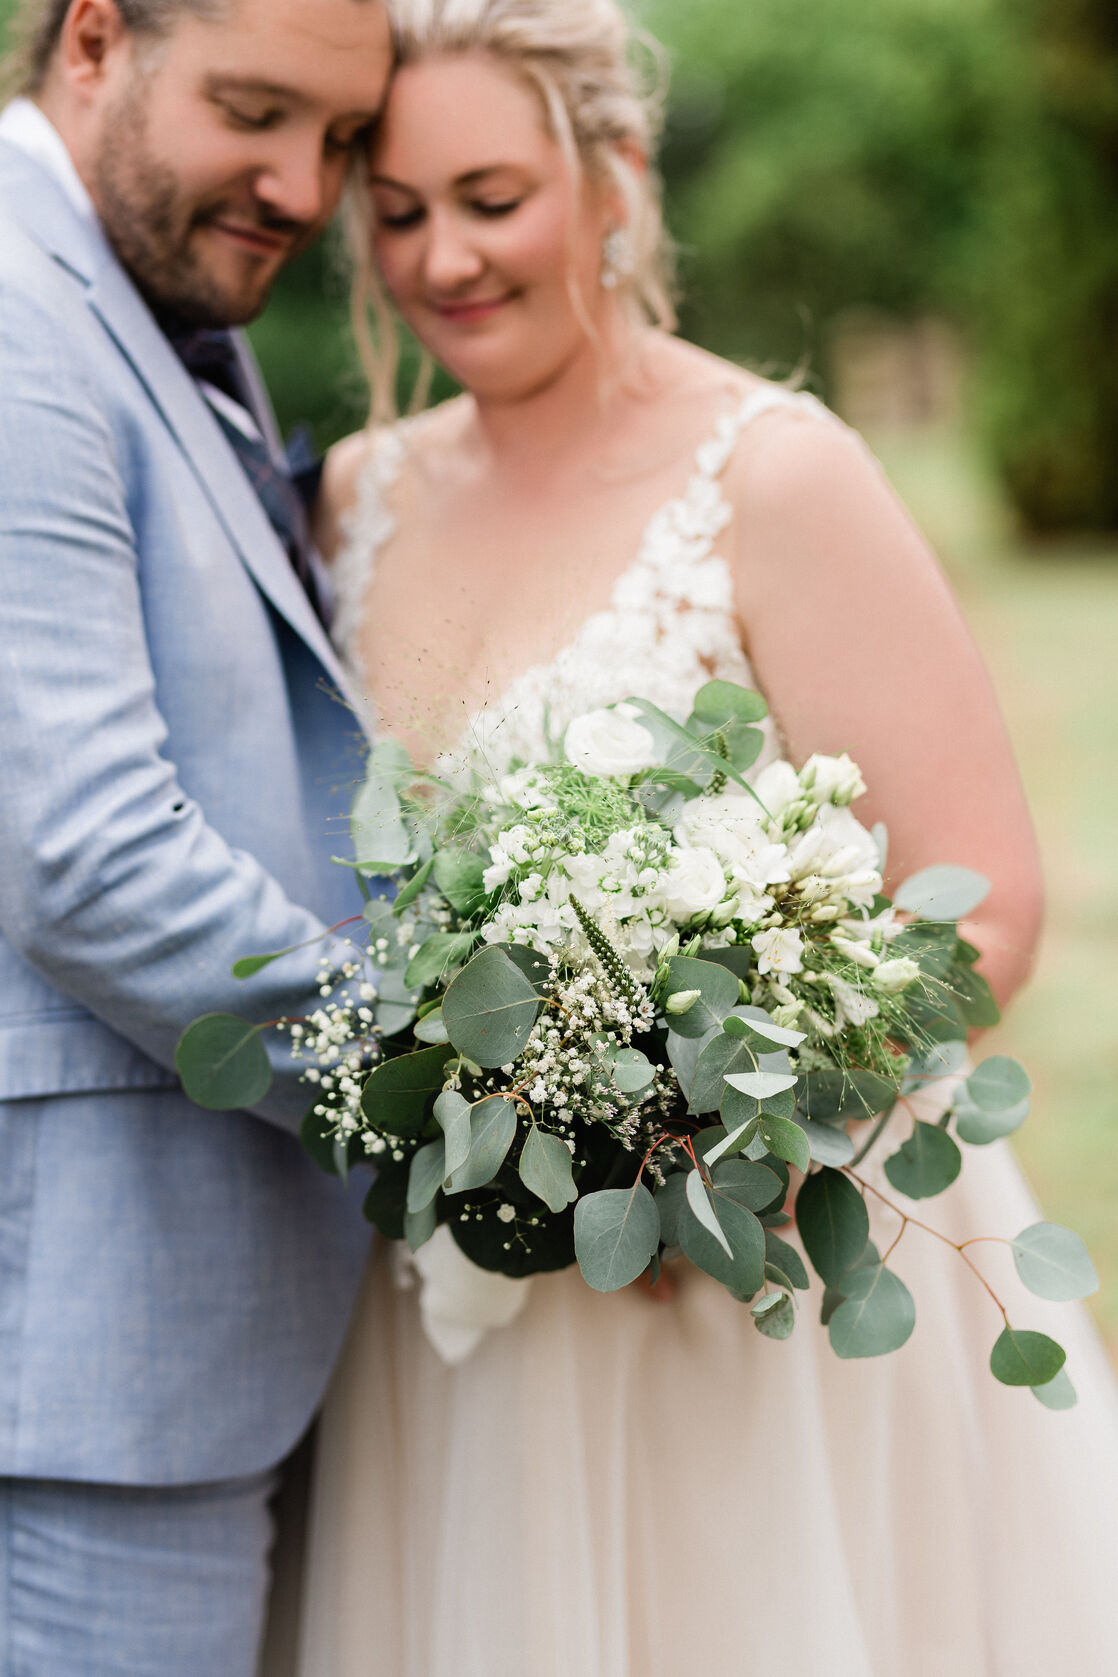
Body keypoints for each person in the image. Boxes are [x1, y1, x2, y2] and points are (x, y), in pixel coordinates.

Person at [275, 1, 1118, 1672]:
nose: (444, 256)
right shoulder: (348, 497)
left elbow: (983, 908)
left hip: (752, 1300)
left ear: (616, 182)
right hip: (456, 1326)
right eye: (400, 212)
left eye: (492, 197)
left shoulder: (772, 474)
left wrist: (699, 1140)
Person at [0, 0, 392, 1670]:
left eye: (341, 139)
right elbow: (82, 853)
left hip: (164, 1330)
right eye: (256, 110)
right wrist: (471, 1089)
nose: (303, 184)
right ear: (94, 40)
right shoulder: (18, 314)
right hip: (73, 1340)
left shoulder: (146, 302)